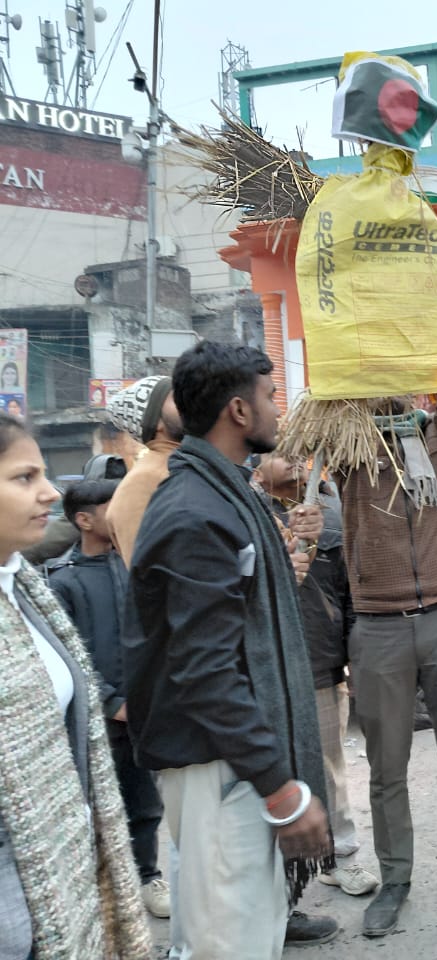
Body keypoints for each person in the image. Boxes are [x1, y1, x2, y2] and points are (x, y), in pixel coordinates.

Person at [125, 341, 336, 957]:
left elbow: (237, 623)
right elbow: (206, 669)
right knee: (231, 943)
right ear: (239, 412)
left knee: (228, 932)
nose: (280, 411)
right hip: (222, 763)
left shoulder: (224, 492)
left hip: (232, 756)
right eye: (271, 397)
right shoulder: (195, 510)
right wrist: (279, 787)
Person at [337, 362, 437, 938]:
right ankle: (395, 880)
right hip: (378, 625)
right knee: (386, 769)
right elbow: (330, 402)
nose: (392, 390)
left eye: (401, 378)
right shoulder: (350, 446)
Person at [0, 413, 151, 958]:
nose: (47, 493)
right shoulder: (50, 581)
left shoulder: (21, 591)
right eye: (24, 478)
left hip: (56, 862)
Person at [252, 452, 378, 899]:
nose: (290, 463)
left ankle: (339, 857)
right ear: (255, 467)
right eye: (277, 455)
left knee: (329, 765)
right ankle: (274, 874)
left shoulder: (328, 515)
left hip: (320, 662)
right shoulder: (248, 514)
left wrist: (353, 659)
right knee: (267, 770)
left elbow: (348, 596)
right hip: (267, 668)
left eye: (296, 454)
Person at [48, 479, 171, 919]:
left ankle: (147, 876)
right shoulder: (64, 582)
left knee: (146, 802)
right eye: (110, 506)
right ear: (84, 520)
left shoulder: (133, 564)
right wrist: (109, 701)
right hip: (100, 717)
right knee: (97, 806)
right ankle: (101, 889)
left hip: (145, 706)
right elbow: (69, 654)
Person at [105, 375, 184, 567]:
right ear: (156, 422)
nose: (190, 401)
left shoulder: (189, 461)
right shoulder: (142, 481)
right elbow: (149, 571)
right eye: (177, 398)